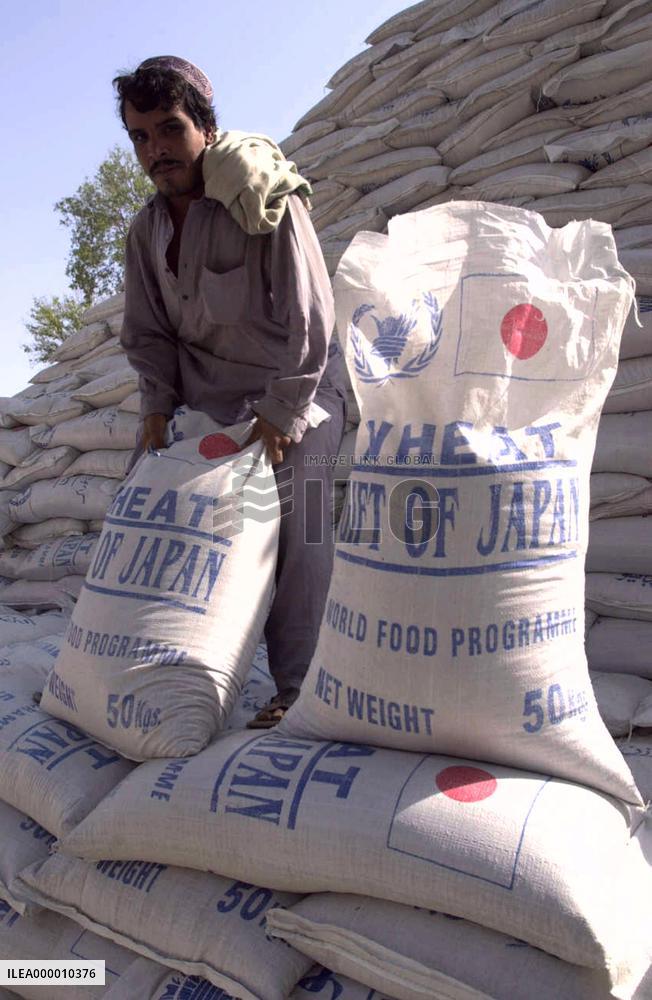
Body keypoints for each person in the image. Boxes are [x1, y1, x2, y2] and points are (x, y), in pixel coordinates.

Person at [113, 55, 346, 727]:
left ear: (205, 128)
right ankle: (141, 669)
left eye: (169, 130)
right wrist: (156, 409)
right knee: (142, 509)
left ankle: (299, 691)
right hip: (206, 402)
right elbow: (148, 334)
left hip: (298, 391)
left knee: (297, 527)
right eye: (140, 137)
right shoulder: (146, 230)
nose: (155, 150)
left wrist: (281, 413)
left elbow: (313, 315)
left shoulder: (260, 195)